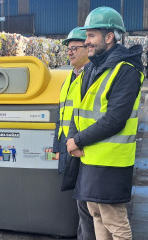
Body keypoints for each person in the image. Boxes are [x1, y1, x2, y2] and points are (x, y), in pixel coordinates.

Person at [66, 7, 144, 239]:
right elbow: (77, 109)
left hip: (111, 161)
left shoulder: (126, 70)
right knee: (96, 214)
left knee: (114, 220)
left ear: (109, 37)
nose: (86, 41)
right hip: (89, 156)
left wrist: (77, 140)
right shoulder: (92, 67)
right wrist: (73, 139)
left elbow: (115, 119)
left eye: (91, 36)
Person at [52, 27, 95, 240]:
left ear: (88, 48)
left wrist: (75, 142)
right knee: (81, 202)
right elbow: (61, 116)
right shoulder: (69, 77)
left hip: (83, 147)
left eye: (74, 48)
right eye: (68, 49)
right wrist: (57, 146)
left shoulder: (92, 75)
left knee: (87, 203)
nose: (69, 52)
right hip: (69, 145)